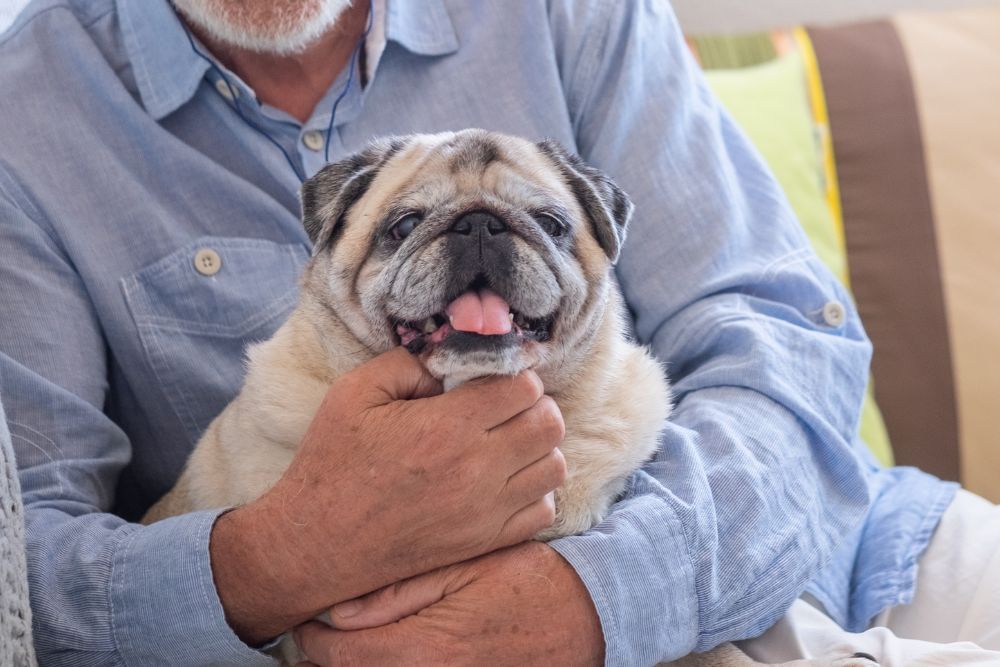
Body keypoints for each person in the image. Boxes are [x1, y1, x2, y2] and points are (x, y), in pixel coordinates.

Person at [0, 0, 995, 665]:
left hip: (856, 544)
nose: (474, 244)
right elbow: (21, 568)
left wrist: (590, 597)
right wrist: (271, 563)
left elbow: (783, 337)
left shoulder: (571, 12)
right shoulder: (27, 120)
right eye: (407, 230)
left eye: (532, 226)